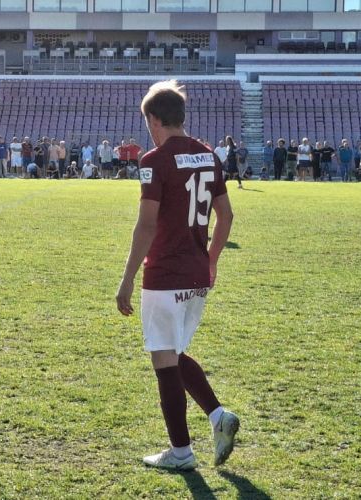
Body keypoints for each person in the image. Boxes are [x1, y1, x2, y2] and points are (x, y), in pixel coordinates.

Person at [116, 80, 238, 471]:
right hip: (196, 272)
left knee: (163, 357)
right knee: (173, 352)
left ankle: (181, 451)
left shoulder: (154, 160)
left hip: (166, 271)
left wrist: (127, 278)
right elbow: (226, 216)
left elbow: (146, 225)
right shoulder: (209, 156)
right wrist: (212, 261)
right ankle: (218, 417)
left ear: (154, 119)